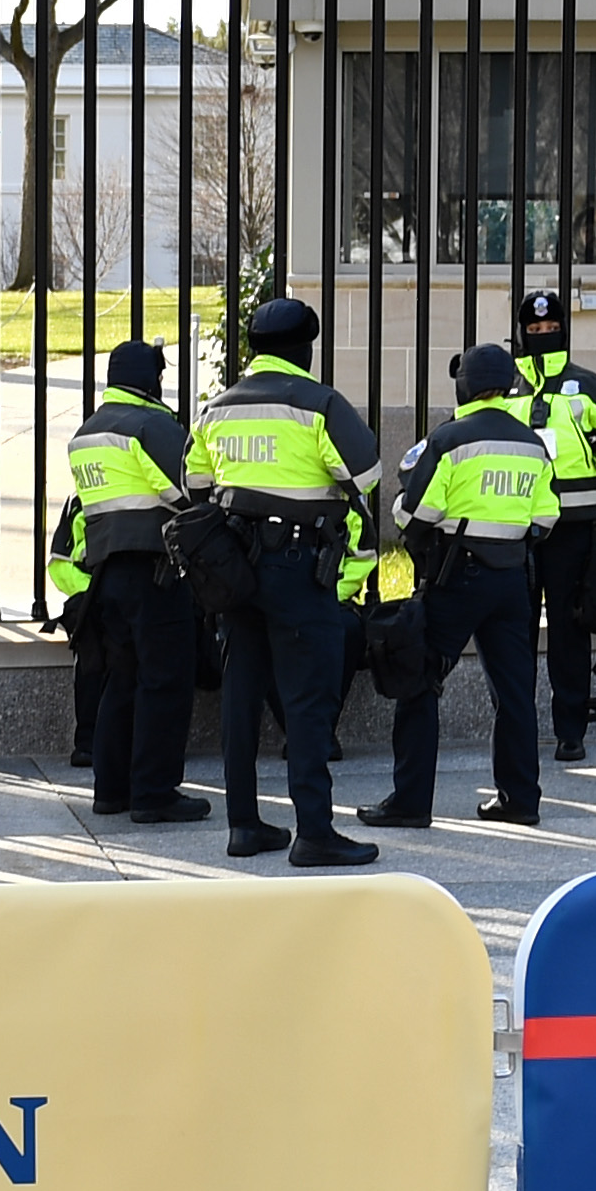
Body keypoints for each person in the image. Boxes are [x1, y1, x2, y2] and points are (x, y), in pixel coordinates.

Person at [189, 297, 381, 868]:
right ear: (305, 349)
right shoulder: (319, 403)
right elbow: (366, 473)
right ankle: (314, 831)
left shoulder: (217, 408)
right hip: (298, 569)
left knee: (242, 697)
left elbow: (193, 482)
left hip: (237, 570)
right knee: (307, 700)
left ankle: (244, 825)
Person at [359, 344, 557, 829]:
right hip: (513, 580)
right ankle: (519, 799)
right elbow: (547, 516)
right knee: (514, 692)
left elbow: (413, 512)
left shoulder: (448, 439)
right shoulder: (532, 443)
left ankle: (410, 801)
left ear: (464, 386)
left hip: (458, 576)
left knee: (420, 681)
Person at [44, 340, 207, 822]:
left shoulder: (87, 432)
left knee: (121, 679)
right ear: (151, 380)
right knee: (166, 679)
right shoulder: (151, 425)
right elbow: (187, 490)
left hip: (105, 575)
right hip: (155, 570)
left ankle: (110, 790)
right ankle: (155, 793)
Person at [512, 290, 596, 762]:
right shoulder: (506, 389)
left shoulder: (588, 387)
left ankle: (570, 730)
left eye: (551, 328)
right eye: (535, 330)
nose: (544, 336)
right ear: (523, 334)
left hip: (572, 527)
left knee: (568, 629)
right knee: (516, 629)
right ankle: (518, 727)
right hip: (519, 527)